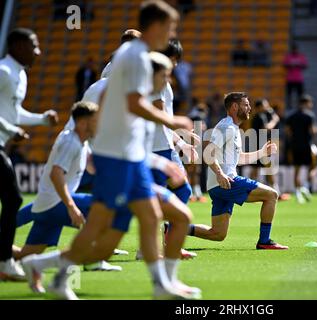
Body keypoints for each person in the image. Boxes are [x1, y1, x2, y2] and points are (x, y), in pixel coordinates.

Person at [22, 1, 195, 300]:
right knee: (101, 236)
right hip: (117, 160)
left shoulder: (135, 57)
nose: (172, 33)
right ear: (155, 25)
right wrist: (173, 120)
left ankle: (160, 285)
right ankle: (49, 270)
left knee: (167, 217)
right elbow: (133, 106)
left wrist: (153, 157)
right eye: (170, 27)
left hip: (130, 158)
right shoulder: (135, 58)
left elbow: (122, 115)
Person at [13, 102, 122, 271]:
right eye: (96, 120)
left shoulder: (81, 142)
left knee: (25, 256)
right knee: (105, 207)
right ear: (83, 123)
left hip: (46, 207)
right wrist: (71, 207)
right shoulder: (71, 142)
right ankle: (93, 260)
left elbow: (93, 166)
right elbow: (56, 174)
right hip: (57, 204)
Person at [187, 92, 288, 250]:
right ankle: (264, 240)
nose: (249, 108)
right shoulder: (226, 127)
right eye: (246, 105)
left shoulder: (232, 128)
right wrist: (220, 174)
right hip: (226, 181)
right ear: (235, 107)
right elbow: (208, 153)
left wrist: (262, 153)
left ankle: (173, 228)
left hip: (219, 184)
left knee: (218, 234)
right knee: (272, 195)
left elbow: (238, 158)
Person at [0, 28, 59, 281]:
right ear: (17, 46)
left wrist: (42, 120)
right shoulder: (3, 72)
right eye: (33, 46)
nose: (38, 51)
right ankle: (5, 262)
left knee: (12, 200)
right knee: (13, 198)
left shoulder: (20, 74)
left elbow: (14, 112)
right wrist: (12, 130)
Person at [149, 39, 199, 260]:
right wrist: (185, 130)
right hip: (154, 147)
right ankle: (154, 248)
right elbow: (160, 115)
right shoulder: (154, 81)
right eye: (174, 60)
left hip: (165, 146)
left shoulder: (164, 81)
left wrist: (182, 143)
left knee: (182, 191)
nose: (176, 65)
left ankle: (167, 245)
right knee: (158, 200)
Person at [250, 98, 289, 201]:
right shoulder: (260, 116)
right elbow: (266, 128)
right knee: (269, 170)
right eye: (265, 105)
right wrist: (275, 120)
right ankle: (276, 192)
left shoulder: (257, 116)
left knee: (256, 170)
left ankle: (249, 191)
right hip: (261, 146)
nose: (267, 107)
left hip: (257, 145)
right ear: (259, 107)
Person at [285, 94, 317, 203]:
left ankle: (298, 193)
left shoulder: (291, 116)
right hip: (306, 145)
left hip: (295, 145)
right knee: (312, 167)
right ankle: (305, 187)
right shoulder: (309, 116)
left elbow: (287, 131)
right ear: (306, 103)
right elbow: (314, 131)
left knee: (297, 170)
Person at [187, 101, 209, 202]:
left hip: (195, 147)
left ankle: (196, 192)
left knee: (195, 171)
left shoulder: (192, 116)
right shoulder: (197, 117)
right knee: (191, 171)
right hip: (192, 147)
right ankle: (191, 193)